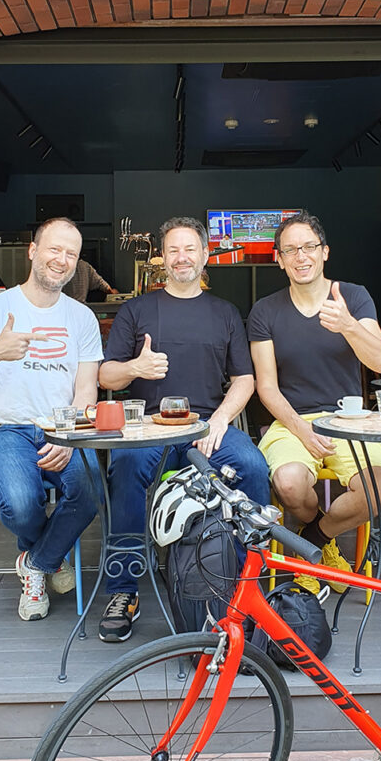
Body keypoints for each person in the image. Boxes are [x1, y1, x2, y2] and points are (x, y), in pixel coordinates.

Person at [97, 216, 270, 643]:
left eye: (189, 249)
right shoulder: (138, 309)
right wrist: (136, 367)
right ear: (162, 258)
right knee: (125, 467)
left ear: (205, 254)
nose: (181, 258)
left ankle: (252, 588)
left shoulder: (226, 313)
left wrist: (220, 420)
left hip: (206, 426)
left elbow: (245, 379)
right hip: (149, 428)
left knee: (253, 467)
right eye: (173, 250)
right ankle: (123, 589)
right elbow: (106, 375)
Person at [0, 218, 103, 621]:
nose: (62, 260)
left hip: (63, 428)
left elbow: (87, 391)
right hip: (5, 431)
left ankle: (35, 563)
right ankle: (52, 556)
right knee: (20, 502)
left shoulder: (82, 318)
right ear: (33, 251)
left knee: (90, 492)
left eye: (71, 254)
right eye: (54, 249)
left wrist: (68, 435)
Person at [248, 210, 381, 590]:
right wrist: (302, 430)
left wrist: (347, 325)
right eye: (290, 250)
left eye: (309, 247)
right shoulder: (265, 310)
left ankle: (316, 539)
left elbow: (379, 362)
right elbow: (266, 387)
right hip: (291, 422)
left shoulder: (354, 297)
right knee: (290, 484)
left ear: (325, 251)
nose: (301, 256)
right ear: (279, 259)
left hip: (349, 420)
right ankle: (317, 548)